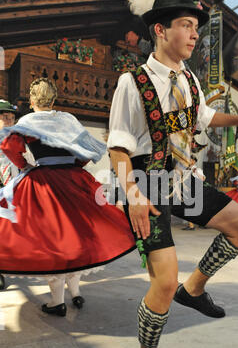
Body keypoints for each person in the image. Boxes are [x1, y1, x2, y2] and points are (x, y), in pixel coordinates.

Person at [107, 0, 238, 348]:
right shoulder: (133, 82)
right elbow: (117, 146)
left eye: (195, 27)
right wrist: (132, 195)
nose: (194, 34)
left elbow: (202, 117)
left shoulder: (189, 79)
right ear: (160, 31)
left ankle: (195, 289)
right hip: (147, 184)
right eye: (185, 25)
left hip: (183, 181)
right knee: (162, 282)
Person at [0, 78, 136, 315]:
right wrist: (75, 165)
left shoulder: (27, 121)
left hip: (43, 182)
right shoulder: (68, 119)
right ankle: (76, 293)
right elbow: (87, 148)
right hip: (74, 179)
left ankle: (57, 301)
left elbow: (8, 147)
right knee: (79, 235)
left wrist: (24, 166)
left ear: (32, 100)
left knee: (53, 240)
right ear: (53, 100)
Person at [0, 100, 20, 290]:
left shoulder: (14, 139)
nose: (9, 121)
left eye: (12, 118)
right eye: (5, 118)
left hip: (9, 190)